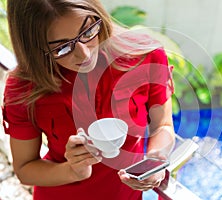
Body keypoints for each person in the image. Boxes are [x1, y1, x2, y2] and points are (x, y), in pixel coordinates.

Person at [2, 0, 175, 199]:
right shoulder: (24, 88)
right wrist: (72, 170)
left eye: (87, 32)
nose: (84, 54)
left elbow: (163, 125)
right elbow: (25, 168)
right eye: (62, 48)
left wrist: (155, 161)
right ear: (34, 48)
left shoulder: (144, 55)